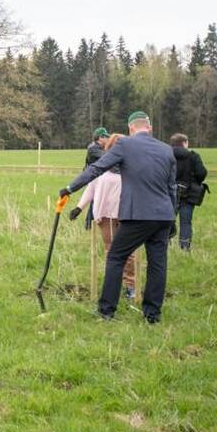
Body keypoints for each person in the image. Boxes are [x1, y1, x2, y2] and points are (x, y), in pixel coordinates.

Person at [60, 111, 176, 324]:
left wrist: (70, 188)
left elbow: (97, 169)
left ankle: (106, 311)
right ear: (149, 128)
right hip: (163, 215)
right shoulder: (167, 150)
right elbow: (171, 188)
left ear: (131, 128)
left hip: (138, 214)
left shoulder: (125, 145)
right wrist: (173, 220)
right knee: (158, 264)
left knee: (115, 256)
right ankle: (152, 315)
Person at [69, 134, 137, 300]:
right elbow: (91, 188)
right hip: (105, 216)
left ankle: (131, 286)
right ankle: (112, 286)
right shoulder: (102, 166)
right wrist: (79, 207)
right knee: (111, 251)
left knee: (129, 252)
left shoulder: (132, 167)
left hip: (126, 215)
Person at [171, 133, 208, 251]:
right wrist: (195, 181)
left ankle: (165, 244)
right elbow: (202, 173)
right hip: (188, 194)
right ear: (184, 143)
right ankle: (184, 247)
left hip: (170, 193)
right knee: (185, 222)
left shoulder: (166, 155)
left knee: (167, 220)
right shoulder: (193, 156)